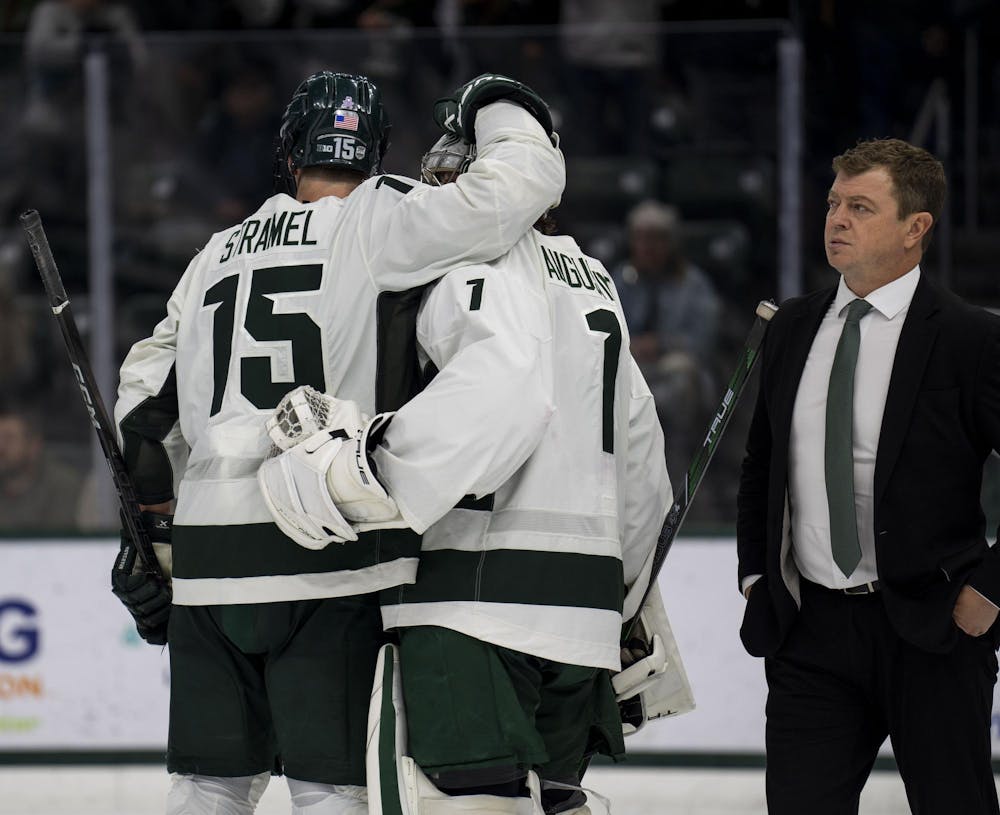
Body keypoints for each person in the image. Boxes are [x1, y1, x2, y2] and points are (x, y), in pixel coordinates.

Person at [112, 71, 563, 815]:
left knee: (206, 785)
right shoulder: (384, 220)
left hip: (209, 566)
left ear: (290, 153)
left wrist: (158, 539)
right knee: (331, 789)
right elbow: (518, 190)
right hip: (328, 548)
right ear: (377, 151)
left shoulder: (214, 255)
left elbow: (143, 424)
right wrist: (507, 113)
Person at [259, 133, 687, 815]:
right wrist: (625, 601)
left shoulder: (460, 266)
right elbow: (642, 461)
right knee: (557, 803)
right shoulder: (596, 283)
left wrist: (361, 463)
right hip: (582, 617)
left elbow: (497, 400)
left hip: (470, 604)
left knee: (463, 803)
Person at [737, 137, 1000, 814]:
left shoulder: (969, 338)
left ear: (916, 229)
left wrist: (992, 589)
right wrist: (758, 574)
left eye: (860, 205)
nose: (837, 219)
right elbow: (762, 462)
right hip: (812, 632)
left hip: (933, 628)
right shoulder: (792, 326)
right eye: (833, 203)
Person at [0, 399, 85, 532]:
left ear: (34, 445)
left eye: (9, 438)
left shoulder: (62, 485)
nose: (1, 447)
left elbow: (56, 543)